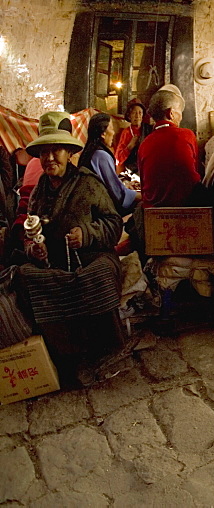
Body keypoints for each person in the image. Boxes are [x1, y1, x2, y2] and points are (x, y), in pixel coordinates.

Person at [16, 111, 127, 386]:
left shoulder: (89, 183)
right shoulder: (38, 190)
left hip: (90, 258)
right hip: (55, 264)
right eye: (44, 152)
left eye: (57, 151)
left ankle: (107, 350)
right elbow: (31, 232)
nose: (50, 158)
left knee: (99, 272)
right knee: (26, 276)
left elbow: (114, 224)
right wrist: (34, 249)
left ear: (69, 153)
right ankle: (65, 355)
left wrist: (86, 233)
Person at [138, 84, 202, 208]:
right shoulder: (187, 135)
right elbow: (195, 175)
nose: (181, 117)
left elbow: (143, 185)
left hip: (153, 213)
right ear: (171, 113)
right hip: (186, 208)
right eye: (180, 112)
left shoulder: (144, 144)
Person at [79, 113, 139, 215]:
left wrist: (124, 185)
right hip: (100, 211)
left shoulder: (89, 152)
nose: (114, 132)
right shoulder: (101, 156)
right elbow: (118, 195)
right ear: (103, 134)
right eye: (111, 128)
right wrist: (140, 196)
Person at [114, 98, 145, 173]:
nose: (137, 116)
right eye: (134, 113)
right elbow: (118, 159)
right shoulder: (126, 132)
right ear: (129, 116)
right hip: (133, 170)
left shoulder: (147, 129)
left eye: (140, 113)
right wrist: (130, 146)